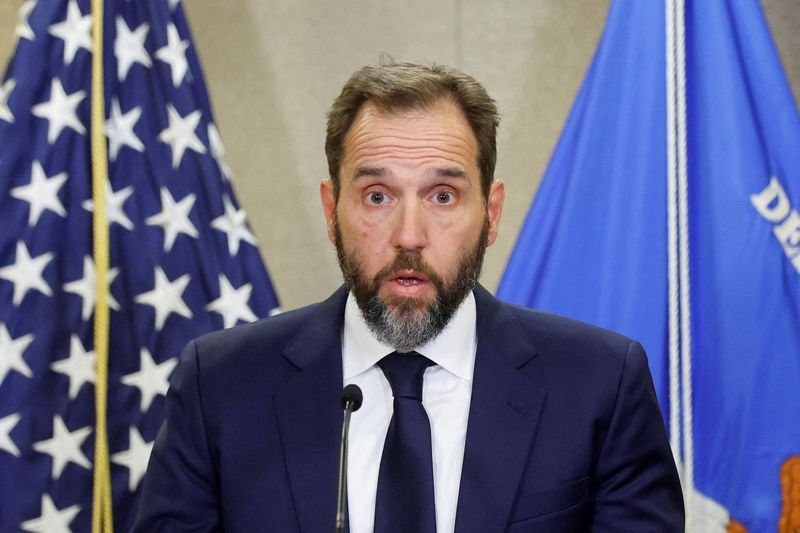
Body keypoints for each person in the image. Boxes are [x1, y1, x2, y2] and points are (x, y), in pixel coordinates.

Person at [133, 61, 684, 532]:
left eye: (443, 196)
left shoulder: (599, 385)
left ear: (491, 214)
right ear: (332, 212)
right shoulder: (220, 386)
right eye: (377, 196)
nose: (409, 235)